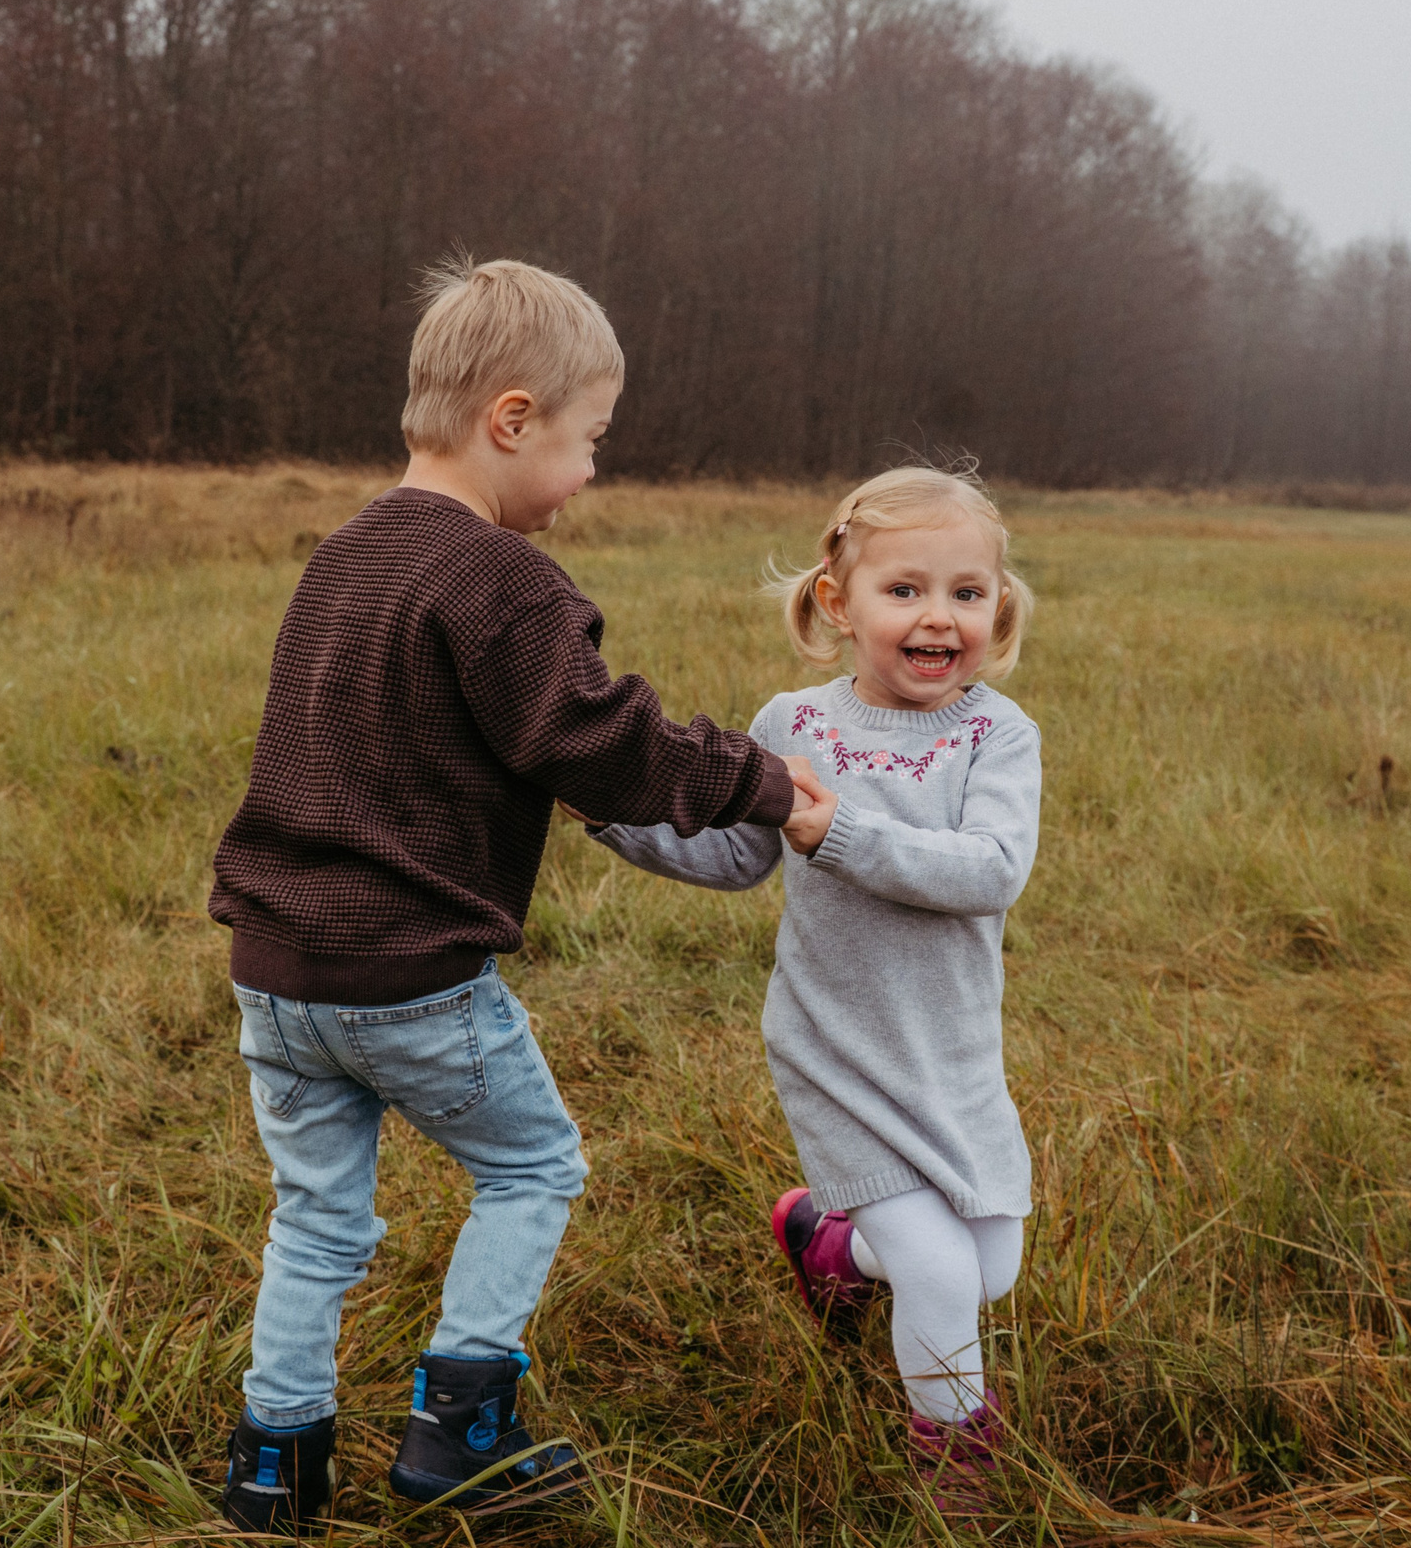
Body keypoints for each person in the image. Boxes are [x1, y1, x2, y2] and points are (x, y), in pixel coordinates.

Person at [205, 258, 827, 1534]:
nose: (591, 470)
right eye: (590, 438)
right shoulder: (498, 575)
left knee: (315, 1219)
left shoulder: (344, 554)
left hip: (275, 973)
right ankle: (460, 1428)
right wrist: (759, 781)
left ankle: (275, 1460)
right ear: (511, 419)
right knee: (533, 1165)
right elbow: (597, 737)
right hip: (409, 974)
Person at [586, 465, 1042, 1511]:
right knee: (938, 1276)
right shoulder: (794, 722)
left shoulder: (998, 735)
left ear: (999, 605)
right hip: (834, 1044)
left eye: (967, 592)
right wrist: (613, 816)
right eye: (905, 589)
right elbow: (737, 855)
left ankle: (829, 1246)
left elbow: (989, 870)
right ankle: (956, 1466)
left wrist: (836, 829)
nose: (939, 616)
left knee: (989, 1268)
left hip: (950, 1053)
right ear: (838, 602)